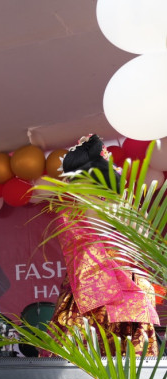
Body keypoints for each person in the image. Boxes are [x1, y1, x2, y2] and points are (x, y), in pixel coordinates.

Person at [47, 134, 159, 356]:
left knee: (89, 371)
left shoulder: (79, 212)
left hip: (110, 298)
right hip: (106, 297)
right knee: (127, 374)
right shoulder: (119, 209)